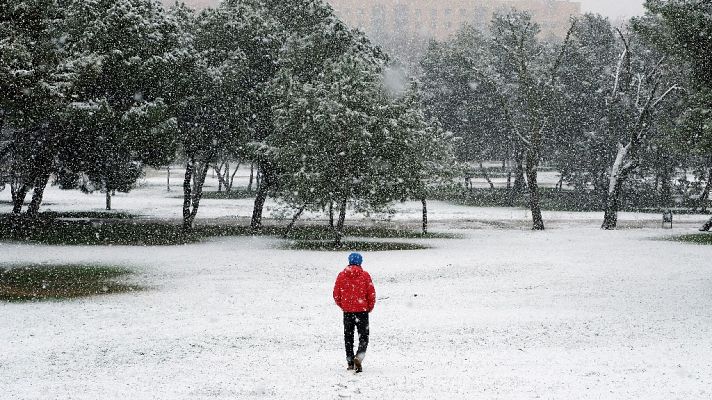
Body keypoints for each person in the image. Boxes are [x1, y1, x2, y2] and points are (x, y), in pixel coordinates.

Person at [333, 252, 376, 373]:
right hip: (362, 311)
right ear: (360, 262)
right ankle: (359, 357)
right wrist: (369, 307)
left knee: (348, 337)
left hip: (347, 312)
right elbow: (371, 293)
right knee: (364, 337)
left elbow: (336, 294)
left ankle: (350, 362)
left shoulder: (341, 275)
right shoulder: (365, 275)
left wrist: (343, 306)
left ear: (349, 261)